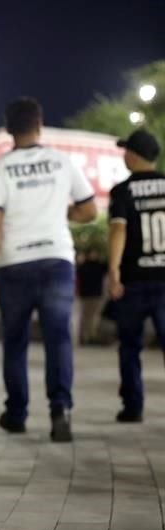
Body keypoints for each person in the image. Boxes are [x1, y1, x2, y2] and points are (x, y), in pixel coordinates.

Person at [0, 97, 97, 442]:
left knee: (15, 342)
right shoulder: (61, 162)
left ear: (8, 129)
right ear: (39, 124)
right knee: (58, 338)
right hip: (57, 260)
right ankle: (60, 409)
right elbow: (89, 211)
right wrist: (64, 215)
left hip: (14, 263)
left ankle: (16, 414)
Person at [107, 129, 165, 423]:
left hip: (135, 280)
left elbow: (119, 229)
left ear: (133, 154)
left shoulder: (123, 191)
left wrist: (114, 270)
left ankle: (133, 407)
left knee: (130, 347)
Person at [76, 249, 107, 345]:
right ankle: (84, 336)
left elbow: (107, 266)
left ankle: (91, 335)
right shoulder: (83, 265)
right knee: (85, 316)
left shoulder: (99, 265)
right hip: (85, 294)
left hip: (96, 294)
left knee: (94, 317)